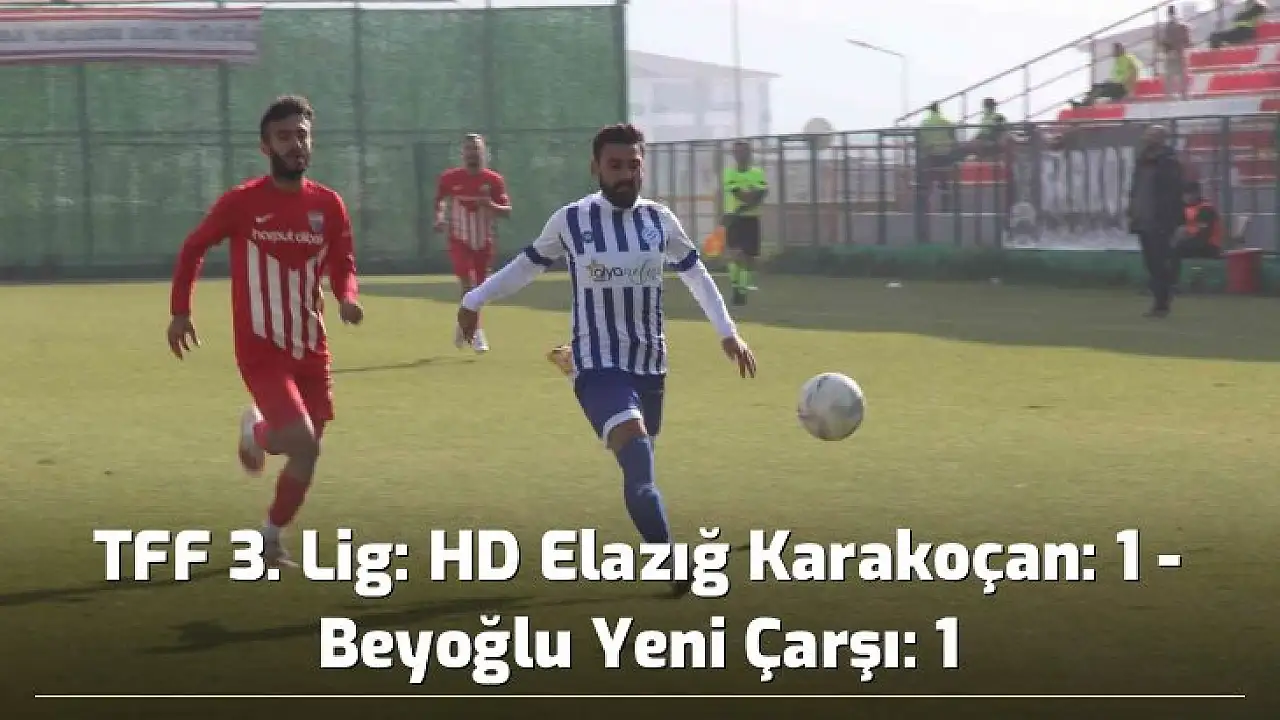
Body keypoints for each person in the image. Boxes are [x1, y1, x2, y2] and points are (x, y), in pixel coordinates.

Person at [457, 124, 758, 598]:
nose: (625, 174)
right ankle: (672, 562)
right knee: (637, 458)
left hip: (650, 365)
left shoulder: (659, 221)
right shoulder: (572, 221)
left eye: (633, 165)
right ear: (595, 167)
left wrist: (727, 332)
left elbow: (696, 275)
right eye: (615, 165)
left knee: (641, 466)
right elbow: (526, 266)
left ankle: (569, 363)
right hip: (600, 365)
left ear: (643, 167)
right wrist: (474, 299)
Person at [167, 95, 365, 567]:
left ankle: (269, 527)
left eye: (302, 135)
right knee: (304, 440)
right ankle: (269, 535)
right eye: (284, 137)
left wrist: (347, 296)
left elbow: (343, 264)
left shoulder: (329, 205)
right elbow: (193, 248)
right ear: (266, 147)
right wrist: (180, 311)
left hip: (311, 347)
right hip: (261, 349)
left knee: (305, 450)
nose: (295, 144)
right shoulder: (242, 202)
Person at [434, 133, 512, 353]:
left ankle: (463, 325)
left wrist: (489, 204)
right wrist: (439, 218)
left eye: (476, 149)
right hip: (459, 240)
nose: (472, 153)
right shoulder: (450, 178)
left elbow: (507, 211)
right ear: (462, 153)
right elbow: (440, 201)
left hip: (483, 242)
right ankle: (476, 332)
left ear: (483, 152)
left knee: (479, 290)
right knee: (467, 284)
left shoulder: (493, 180)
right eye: (468, 149)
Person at [1127, 124, 1185, 318]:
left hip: (1160, 220)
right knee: (1151, 263)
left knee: (1160, 261)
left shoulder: (1169, 161)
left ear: (1161, 138)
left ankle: (1162, 301)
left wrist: (1176, 220)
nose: (1147, 138)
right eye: (1147, 134)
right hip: (1143, 218)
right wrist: (1133, 210)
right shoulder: (1142, 160)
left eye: (1152, 135)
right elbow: (1136, 188)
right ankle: (1162, 297)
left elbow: (1174, 191)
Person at [722, 140, 769, 306]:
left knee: (749, 258)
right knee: (736, 254)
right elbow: (740, 194)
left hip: (751, 219)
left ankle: (741, 289)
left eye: (744, 151)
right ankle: (738, 289)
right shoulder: (729, 173)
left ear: (749, 153)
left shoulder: (758, 173)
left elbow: (761, 194)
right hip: (734, 218)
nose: (740, 155)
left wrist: (746, 204)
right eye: (737, 152)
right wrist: (751, 197)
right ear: (734, 154)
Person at [1173, 181, 1224, 288]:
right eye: (1185, 194)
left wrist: (1185, 236)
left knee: (1176, 250)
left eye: (1189, 194)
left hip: (1209, 245)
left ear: (1196, 194)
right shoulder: (1184, 208)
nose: (1187, 197)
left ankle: (1174, 283)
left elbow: (1204, 235)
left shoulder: (1206, 209)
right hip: (1194, 242)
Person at [1072, 43, 1143, 107]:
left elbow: (1127, 75)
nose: (1113, 53)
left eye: (1115, 50)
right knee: (1096, 87)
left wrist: (1129, 89)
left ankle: (1085, 104)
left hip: (1122, 88)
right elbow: (1118, 76)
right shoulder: (1122, 59)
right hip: (1119, 86)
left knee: (1099, 89)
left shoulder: (1126, 58)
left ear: (1120, 50)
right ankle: (1086, 102)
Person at [1162, 5, 1191, 100]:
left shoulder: (1167, 27)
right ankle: (1184, 94)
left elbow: (1165, 42)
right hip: (1179, 52)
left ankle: (1169, 95)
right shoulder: (1182, 26)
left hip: (1171, 53)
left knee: (1170, 75)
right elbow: (1187, 41)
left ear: (1168, 13)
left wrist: (1168, 51)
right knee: (1181, 74)